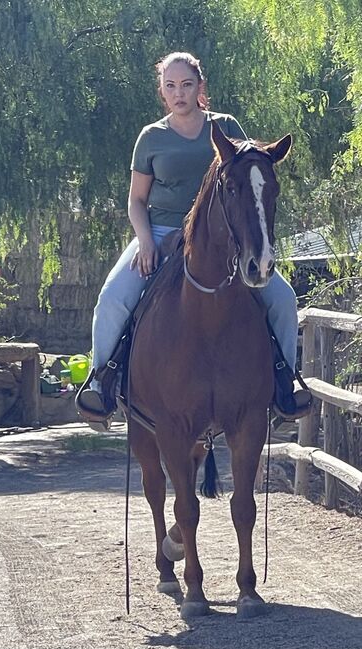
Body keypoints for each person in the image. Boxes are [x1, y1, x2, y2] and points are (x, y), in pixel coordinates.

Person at [78, 51, 310, 429]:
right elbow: (136, 201)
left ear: (200, 87)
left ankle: (285, 381)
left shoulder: (226, 126)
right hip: (161, 233)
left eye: (186, 84)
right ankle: (102, 379)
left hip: (221, 237)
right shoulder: (151, 138)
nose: (179, 92)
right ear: (162, 91)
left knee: (282, 298)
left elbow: (248, 178)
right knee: (112, 297)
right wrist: (145, 241)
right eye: (170, 86)